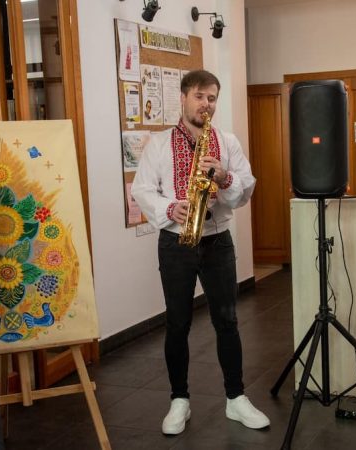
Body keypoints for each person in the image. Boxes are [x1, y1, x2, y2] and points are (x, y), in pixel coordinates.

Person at [131, 70, 270, 435]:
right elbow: (142, 189)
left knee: (227, 321)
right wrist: (167, 209)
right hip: (175, 241)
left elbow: (247, 187)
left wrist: (224, 176)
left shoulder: (226, 141)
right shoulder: (159, 144)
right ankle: (180, 400)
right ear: (183, 97)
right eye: (199, 96)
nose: (206, 104)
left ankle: (236, 398)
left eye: (211, 98)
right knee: (177, 323)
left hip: (217, 238)